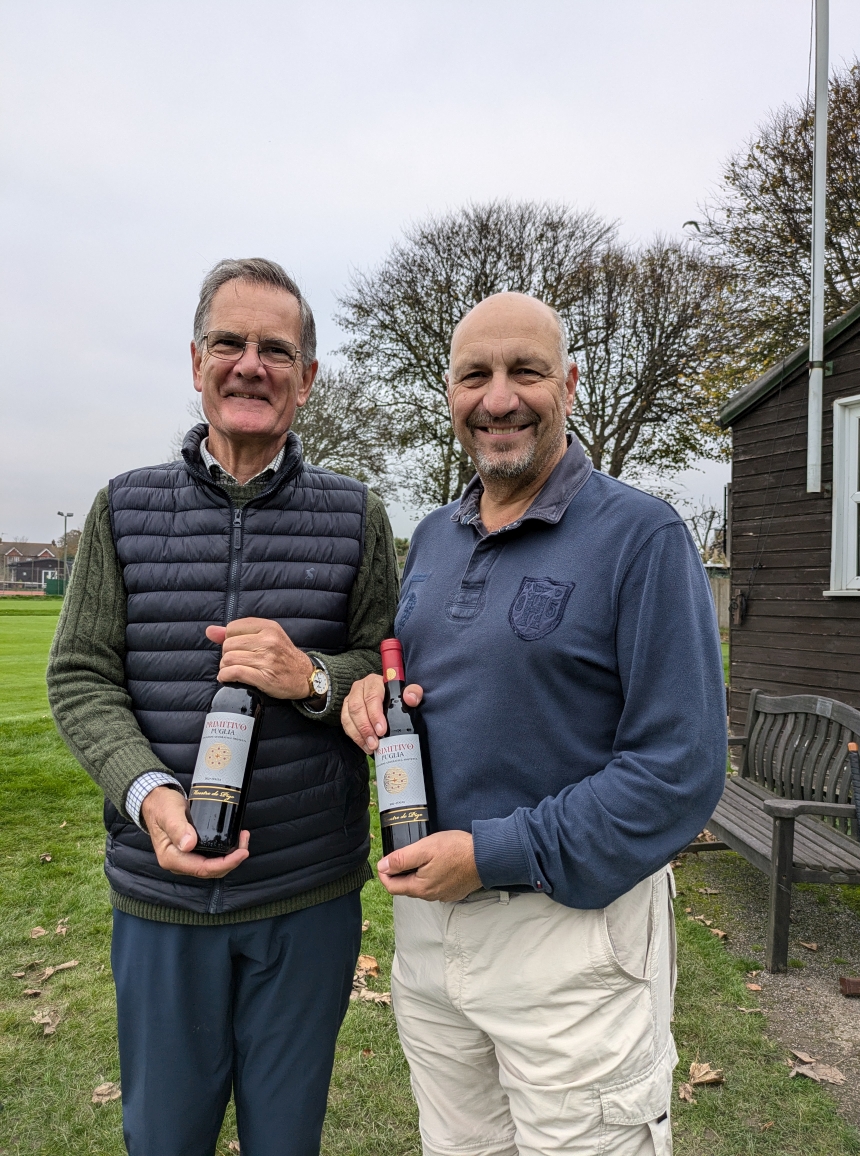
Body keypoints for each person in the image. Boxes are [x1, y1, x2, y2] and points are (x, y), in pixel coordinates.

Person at [341, 292, 727, 1156]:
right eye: (475, 375)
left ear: (570, 384)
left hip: (572, 938)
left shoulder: (642, 536)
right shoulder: (433, 538)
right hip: (430, 934)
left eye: (527, 371)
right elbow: (430, 687)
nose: (499, 398)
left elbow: (680, 770)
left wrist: (494, 853)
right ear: (450, 393)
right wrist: (373, 695)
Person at [47, 258, 399, 1156]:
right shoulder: (123, 509)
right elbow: (81, 675)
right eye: (230, 343)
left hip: (304, 897)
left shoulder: (357, 516)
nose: (251, 365)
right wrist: (148, 794)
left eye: (275, 350)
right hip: (161, 898)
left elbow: (385, 672)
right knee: (164, 1138)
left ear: (306, 378)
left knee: (286, 1140)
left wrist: (307, 675)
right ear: (197, 361)